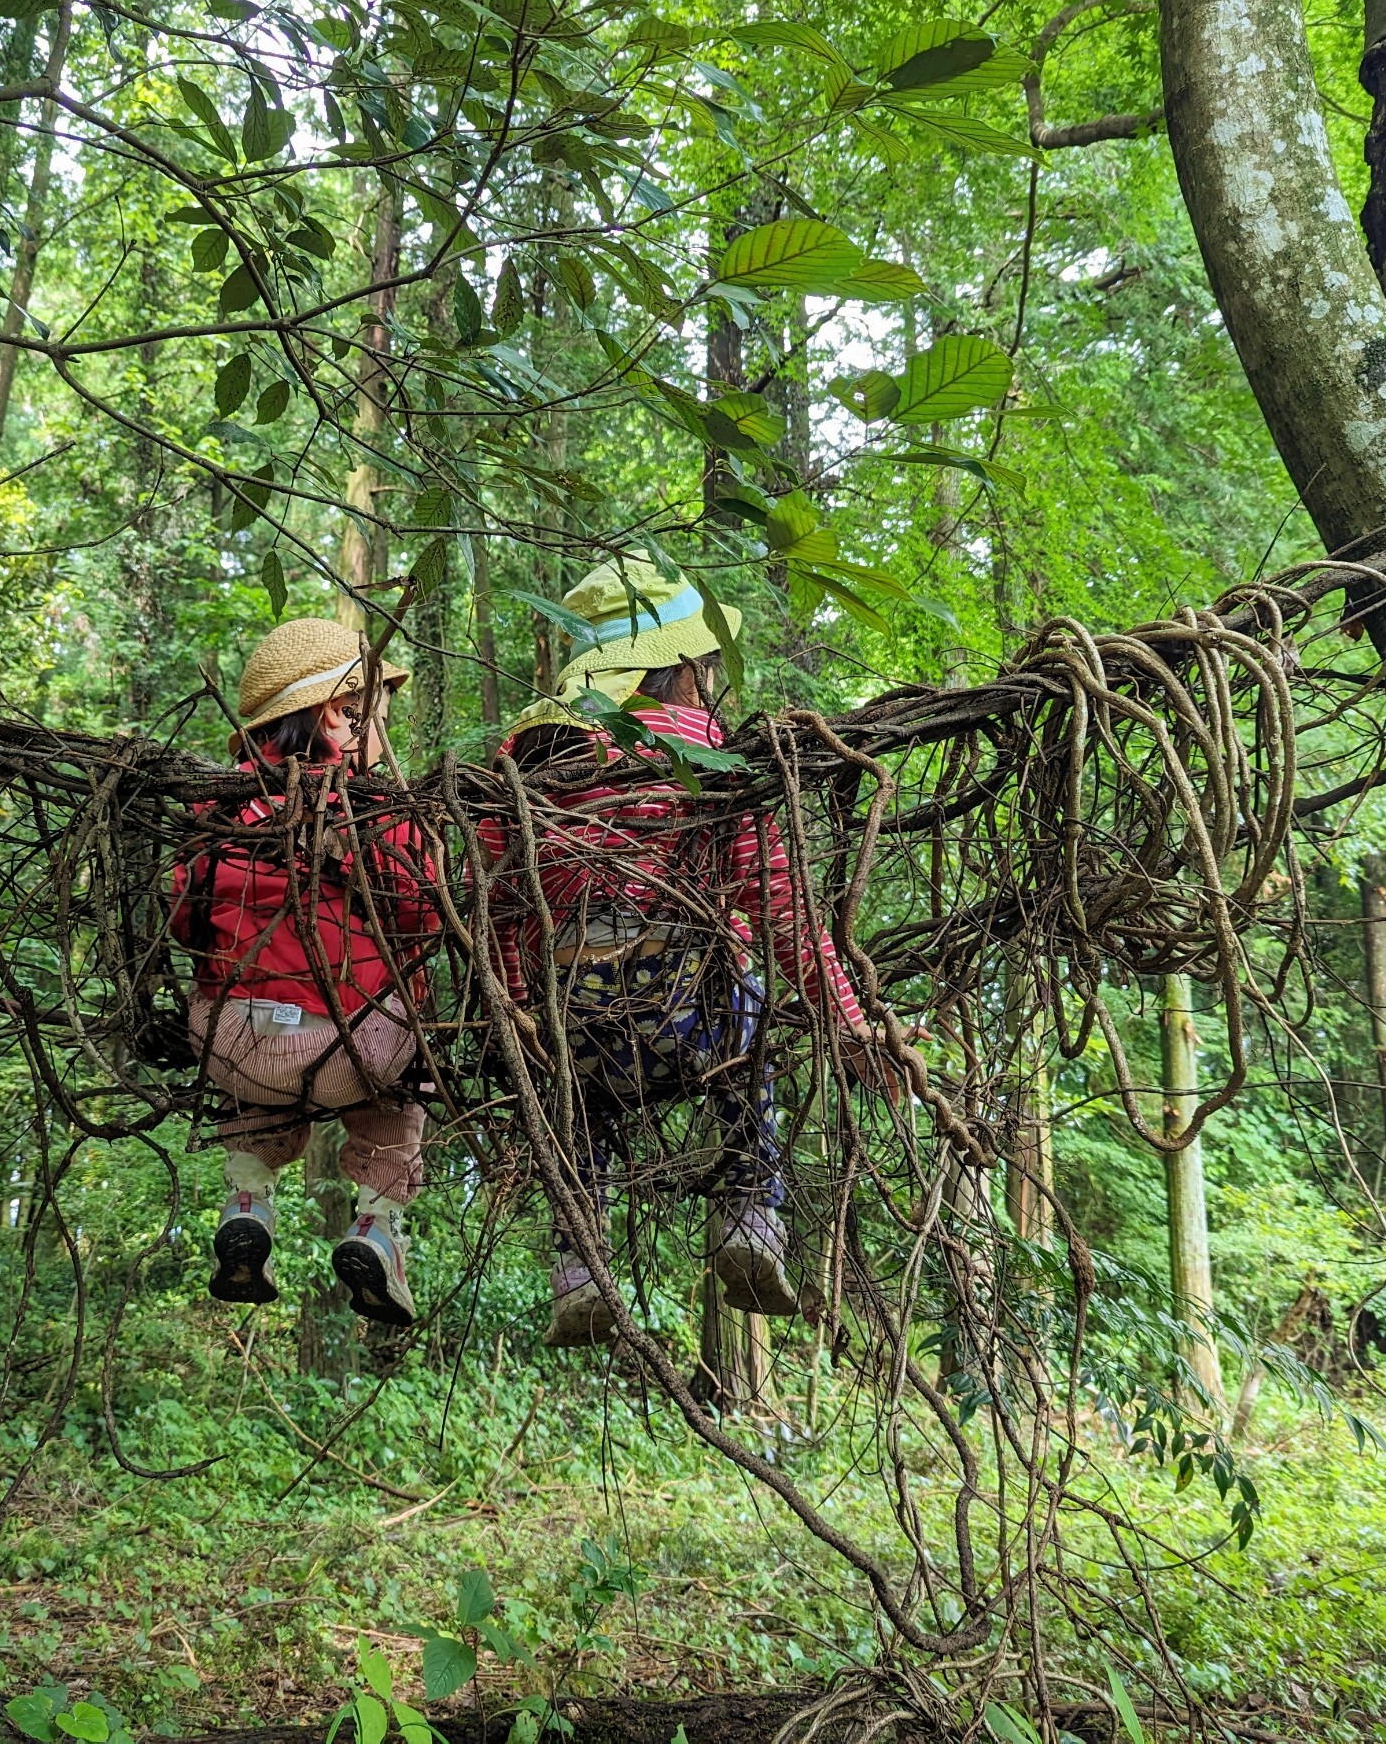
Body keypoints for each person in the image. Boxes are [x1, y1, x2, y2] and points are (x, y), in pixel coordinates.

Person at [480, 561, 896, 1349]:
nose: (712, 685)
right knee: (749, 1005)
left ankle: (579, 1268)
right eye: (707, 669)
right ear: (680, 671)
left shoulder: (529, 771)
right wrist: (848, 1021)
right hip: (689, 1014)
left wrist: (516, 1004)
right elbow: (782, 912)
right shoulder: (708, 764)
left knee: (576, 1109)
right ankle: (748, 1211)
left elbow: (498, 906)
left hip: (573, 1029)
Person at [172, 618, 437, 1327]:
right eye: (375, 711)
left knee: (240, 1013)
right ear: (336, 715)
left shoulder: (215, 807)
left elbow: (179, 916)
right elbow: (427, 913)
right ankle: (378, 1220)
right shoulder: (382, 811)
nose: (382, 727)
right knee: (415, 1021)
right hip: (351, 1047)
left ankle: (248, 1200)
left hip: (233, 1044)